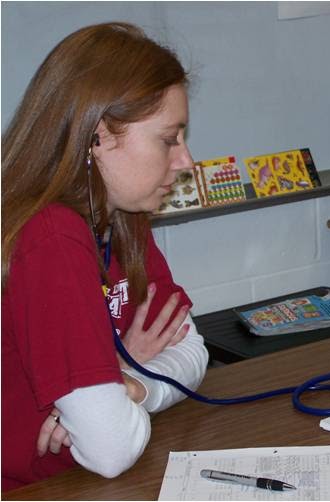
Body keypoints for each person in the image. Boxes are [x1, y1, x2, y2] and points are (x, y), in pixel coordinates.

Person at [1, 22, 209, 491]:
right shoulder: (50, 239)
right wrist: (120, 390)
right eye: (168, 138)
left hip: (84, 482)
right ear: (99, 136)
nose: (185, 161)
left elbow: (192, 353)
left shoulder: (119, 215)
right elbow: (110, 447)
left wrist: (130, 384)